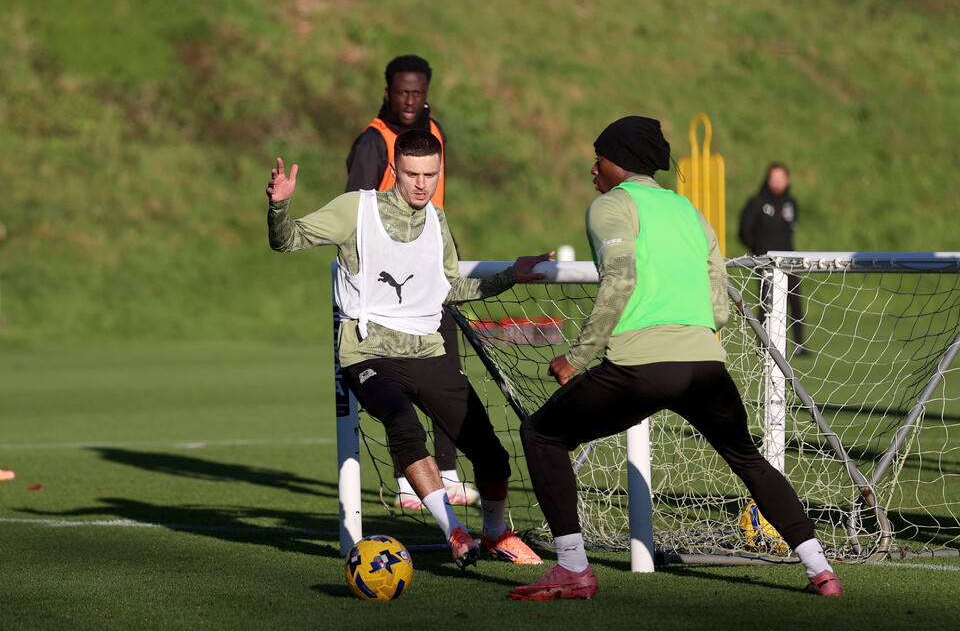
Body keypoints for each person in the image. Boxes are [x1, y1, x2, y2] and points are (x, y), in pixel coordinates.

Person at [509, 117, 842, 600]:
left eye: (597, 156)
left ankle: (573, 569)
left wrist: (577, 357)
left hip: (641, 367)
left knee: (541, 433)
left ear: (616, 161)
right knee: (747, 459)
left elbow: (619, 280)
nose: (591, 167)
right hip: (706, 364)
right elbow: (720, 305)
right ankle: (821, 570)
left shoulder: (609, 206)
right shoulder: (690, 211)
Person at [267, 129, 548, 569]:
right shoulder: (355, 210)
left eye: (430, 175)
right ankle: (454, 531)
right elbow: (286, 240)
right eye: (412, 174)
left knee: (492, 454)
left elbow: (452, 288)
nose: (421, 184)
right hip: (368, 354)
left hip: (428, 353)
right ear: (394, 169)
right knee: (403, 425)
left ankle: (494, 535)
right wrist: (280, 204)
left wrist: (513, 273)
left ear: (440, 172)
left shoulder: (437, 220)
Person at [345, 54, 476, 509]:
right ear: (387, 92)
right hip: (390, 291)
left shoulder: (433, 135)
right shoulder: (373, 141)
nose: (409, 100)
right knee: (395, 381)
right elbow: (355, 212)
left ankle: (447, 472)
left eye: (417, 92)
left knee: (445, 371)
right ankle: (406, 480)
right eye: (402, 91)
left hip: (430, 279)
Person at [739, 163, 806, 356]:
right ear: (768, 180)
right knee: (766, 302)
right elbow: (744, 230)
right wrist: (759, 251)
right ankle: (763, 344)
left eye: (781, 178)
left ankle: (800, 345)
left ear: (787, 180)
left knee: (795, 300)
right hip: (766, 262)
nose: (778, 182)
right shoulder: (757, 202)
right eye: (774, 178)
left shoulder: (791, 203)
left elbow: (790, 229)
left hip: (789, 261)